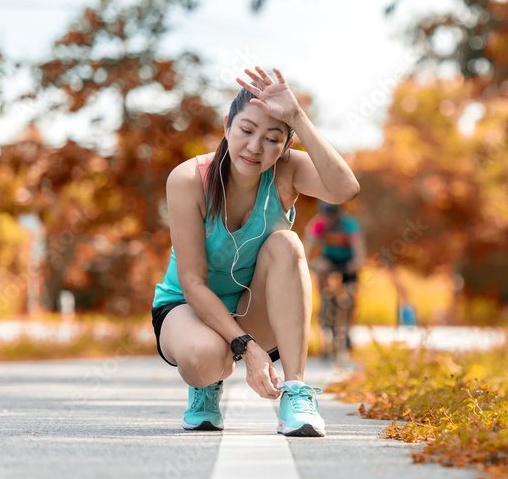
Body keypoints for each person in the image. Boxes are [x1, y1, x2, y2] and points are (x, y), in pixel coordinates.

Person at [150, 66, 359, 437]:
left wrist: (297, 116)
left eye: (273, 138)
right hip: (188, 308)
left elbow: (345, 189)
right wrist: (247, 349)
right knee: (205, 359)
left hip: (254, 309)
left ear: (286, 146)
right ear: (227, 124)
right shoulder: (187, 180)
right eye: (247, 131)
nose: (255, 148)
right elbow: (193, 282)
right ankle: (206, 384)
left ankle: (295, 392)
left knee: (288, 243)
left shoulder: (286, 170)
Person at [304, 201, 365, 352]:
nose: (330, 218)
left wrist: (356, 263)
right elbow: (308, 246)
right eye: (327, 215)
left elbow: (359, 251)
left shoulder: (349, 224)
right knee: (321, 267)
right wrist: (307, 263)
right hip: (329, 260)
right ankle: (326, 303)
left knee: (349, 295)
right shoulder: (319, 223)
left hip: (347, 261)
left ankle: (347, 328)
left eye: (333, 215)